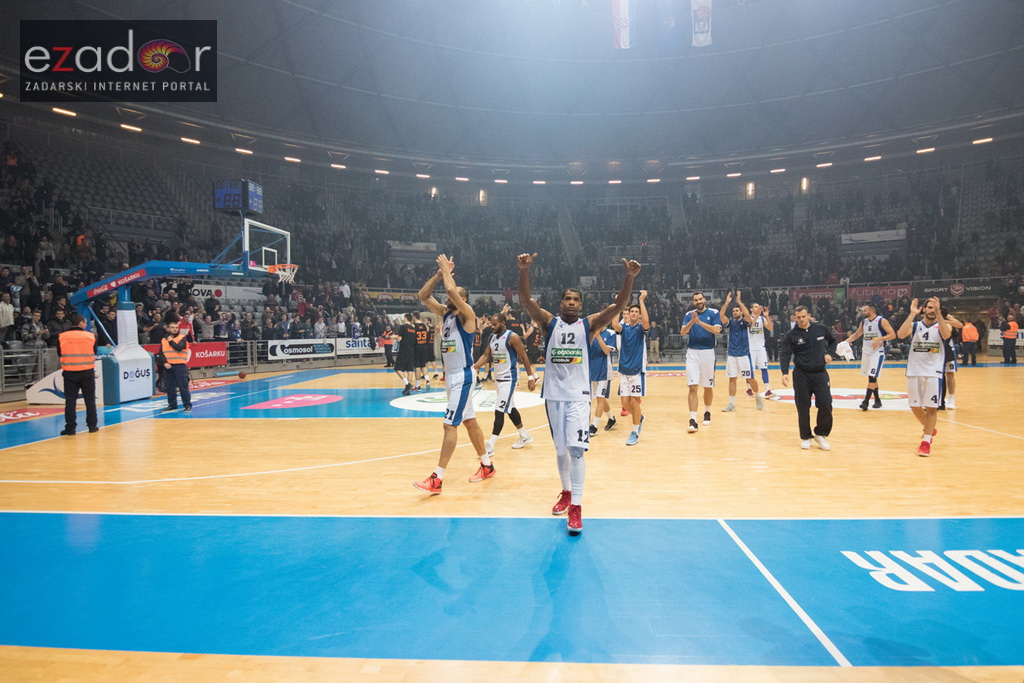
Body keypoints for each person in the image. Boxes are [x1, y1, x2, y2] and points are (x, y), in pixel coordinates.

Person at [518, 252, 641, 535]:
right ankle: (565, 492)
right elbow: (526, 301)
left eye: (576, 300)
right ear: (561, 303)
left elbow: (619, 304)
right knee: (560, 449)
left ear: (581, 305)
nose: (571, 303)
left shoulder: (589, 325)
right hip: (553, 396)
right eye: (567, 299)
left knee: (576, 451)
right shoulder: (550, 323)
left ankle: (577, 507)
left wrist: (629, 278)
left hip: (578, 397)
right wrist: (524, 271)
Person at [413, 255, 491, 494]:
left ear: (464, 299)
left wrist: (446, 270)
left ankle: (438, 478)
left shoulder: (468, 316)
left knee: (449, 425)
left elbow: (450, 288)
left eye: (455, 294)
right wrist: (438, 275)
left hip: (463, 376)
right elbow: (422, 296)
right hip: (453, 377)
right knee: (469, 421)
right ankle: (487, 465)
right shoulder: (445, 314)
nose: (448, 295)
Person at [472, 313, 538, 457]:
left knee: (499, 410)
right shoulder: (492, 337)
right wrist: (474, 368)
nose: (492, 326)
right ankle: (525, 436)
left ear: (503, 323)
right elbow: (485, 355)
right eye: (491, 324)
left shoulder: (512, 337)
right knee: (510, 408)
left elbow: (523, 356)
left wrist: (531, 376)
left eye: (494, 324)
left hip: (510, 378)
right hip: (499, 379)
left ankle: (490, 446)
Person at [897, 297, 951, 457]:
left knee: (932, 408)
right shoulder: (915, 325)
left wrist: (940, 312)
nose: (932, 310)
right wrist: (912, 314)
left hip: (933, 372)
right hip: (914, 371)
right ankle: (929, 428)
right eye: (929, 307)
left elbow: (947, 335)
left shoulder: (943, 325)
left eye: (935, 308)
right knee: (914, 406)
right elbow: (900, 334)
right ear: (924, 309)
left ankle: (926, 442)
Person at [780, 305, 837, 451]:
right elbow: (785, 354)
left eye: (803, 316)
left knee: (825, 404)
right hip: (801, 374)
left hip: (820, 373)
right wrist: (784, 372)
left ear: (809, 315)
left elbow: (833, 342)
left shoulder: (821, 329)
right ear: (794, 318)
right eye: (798, 317)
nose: (801, 319)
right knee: (803, 406)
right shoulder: (791, 335)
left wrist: (830, 353)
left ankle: (820, 434)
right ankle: (806, 437)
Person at [610, 291, 650, 445]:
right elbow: (614, 324)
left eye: (636, 312)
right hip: (623, 370)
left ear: (639, 315)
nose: (633, 314)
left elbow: (646, 321)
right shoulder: (624, 327)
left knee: (634, 401)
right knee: (625, 403)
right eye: (631, 311)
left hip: (636, 371)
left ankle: (634, 432)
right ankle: (638, 417)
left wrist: (641, 301)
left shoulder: (641, 328)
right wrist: (618, 307)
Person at [680, 291, 721, 433]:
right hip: (692, 353)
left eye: (700, 299)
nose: (698, 301)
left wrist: (700, 322)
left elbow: (716, 330)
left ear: (705, 299)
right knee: (692, 387)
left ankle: (707, 412)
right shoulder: (689, 315)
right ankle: (692, 420)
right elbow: (683, 332)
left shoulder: (714, 313)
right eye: (696, 300)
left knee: (708, 387)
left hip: (708, 352)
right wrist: (693, 321)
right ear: (693, 302)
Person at [843, 303, 896, 411]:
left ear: (871, 311)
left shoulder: (882, 321)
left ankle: (865, 401)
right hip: (866, 352)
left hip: (878, 352)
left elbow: (893, 334)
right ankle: (877, 400)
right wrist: (845, 342)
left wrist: (879, 339)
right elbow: (857, 334)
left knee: (872, 376)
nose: (863, 312)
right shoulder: (864, 321)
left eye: (865, 310)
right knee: (871, 377)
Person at [719, 291, 762, 412]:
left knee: (750, 379)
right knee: (732, 379)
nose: (735, 312)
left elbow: (748, 314)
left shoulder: (745, 322)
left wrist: (739, 302)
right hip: (732, 354)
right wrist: (726, 303)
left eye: (737, 310)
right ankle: (731, 403)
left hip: (744, 354)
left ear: (741, 312)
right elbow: (721, 316)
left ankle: (758, 396)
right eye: (733, 311)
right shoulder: (731, 322)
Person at [57, 313, 98, 435]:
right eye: (85, 323)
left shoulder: (62, 337)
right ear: (81, 323)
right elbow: (94, 352)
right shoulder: (91, 336)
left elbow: (60, 353)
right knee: (90, 400)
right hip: (87, 372)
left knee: (70, 401)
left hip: (70, 373)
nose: (86, 325)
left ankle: (70, 428)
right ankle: (92, 426)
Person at [588, 323, 618, 434]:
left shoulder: (610, 333)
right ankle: (611, 419)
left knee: (600, 397)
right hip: (592, 370)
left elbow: (606, 351)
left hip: (604, 371)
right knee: (600, 398)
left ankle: (594, 426)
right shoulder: (590, 334)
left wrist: (598, 336)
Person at [745, 301, 776, 400]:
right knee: (750, 371)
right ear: (751, 309)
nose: (757, 308)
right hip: (750, 348)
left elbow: (770, 328)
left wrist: (766, 316)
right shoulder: (748, 318)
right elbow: (751, 328)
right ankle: (749, 389)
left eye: (758, 307)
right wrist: (758, 315)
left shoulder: (762, 319)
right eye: (755, 307)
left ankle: (767, 390)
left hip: (760, 347)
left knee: (764, 368)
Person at [160, 317, 192, 413]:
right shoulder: (163, 340)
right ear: (168, 328)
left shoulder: (182, 337)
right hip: (168, 366)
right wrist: (164, 363)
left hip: (180, 366)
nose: (174, 329)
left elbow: (179, 348)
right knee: (169, 387)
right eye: (172, 327)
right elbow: (161, 353)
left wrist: (171, 341)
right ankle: (172, 405)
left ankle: (187, 405)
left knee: (183, 386)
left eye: (176, 327)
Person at [938, 307, 963, 410]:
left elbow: (959, 324)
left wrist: (943, 319)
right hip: (936, 349)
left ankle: (951, 398)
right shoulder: (928, 315)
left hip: (948, 347)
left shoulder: (946, 316)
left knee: (950, 373)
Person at [393, 313, 417, 395]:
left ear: (406, 318)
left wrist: (394, 337)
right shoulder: (413, 329)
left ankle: (407, 384)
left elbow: (399, 339)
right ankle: (408, 389)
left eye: (404, 317)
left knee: (397, 368)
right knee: (410, 369)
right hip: (412, 350)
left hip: (404, 350)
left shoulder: (403, 327)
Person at [412, 311, 431, 390]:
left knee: (417, 366)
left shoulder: (413, 325)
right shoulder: (425, 325)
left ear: (414, 316)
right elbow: (427, 331)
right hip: (424, 346)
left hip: (417, 346)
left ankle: (418, 385)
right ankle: (427, 380)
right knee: (423, 365)